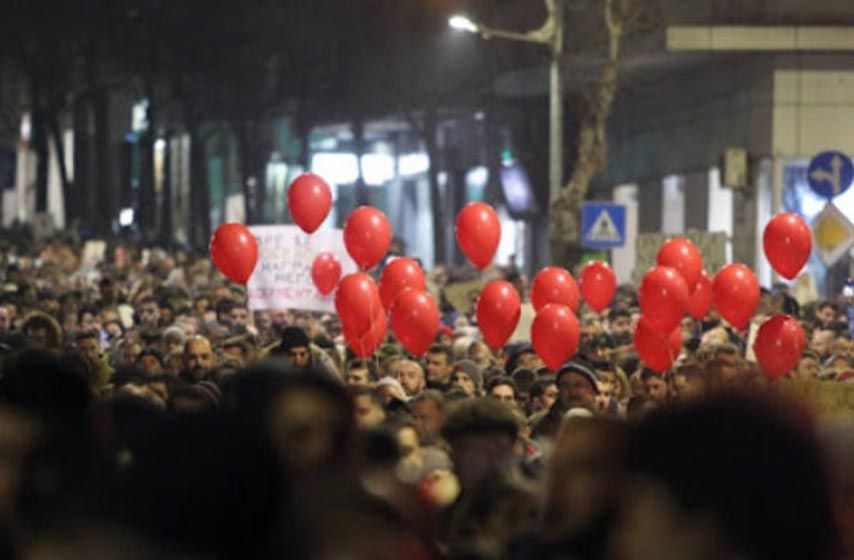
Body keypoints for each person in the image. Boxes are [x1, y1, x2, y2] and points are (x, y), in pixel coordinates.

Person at [532, 359, 599, 440]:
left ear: (592, 390)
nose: (572, 393)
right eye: (565, 386)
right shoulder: (542, 425)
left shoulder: (605, 426)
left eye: (579, 385)